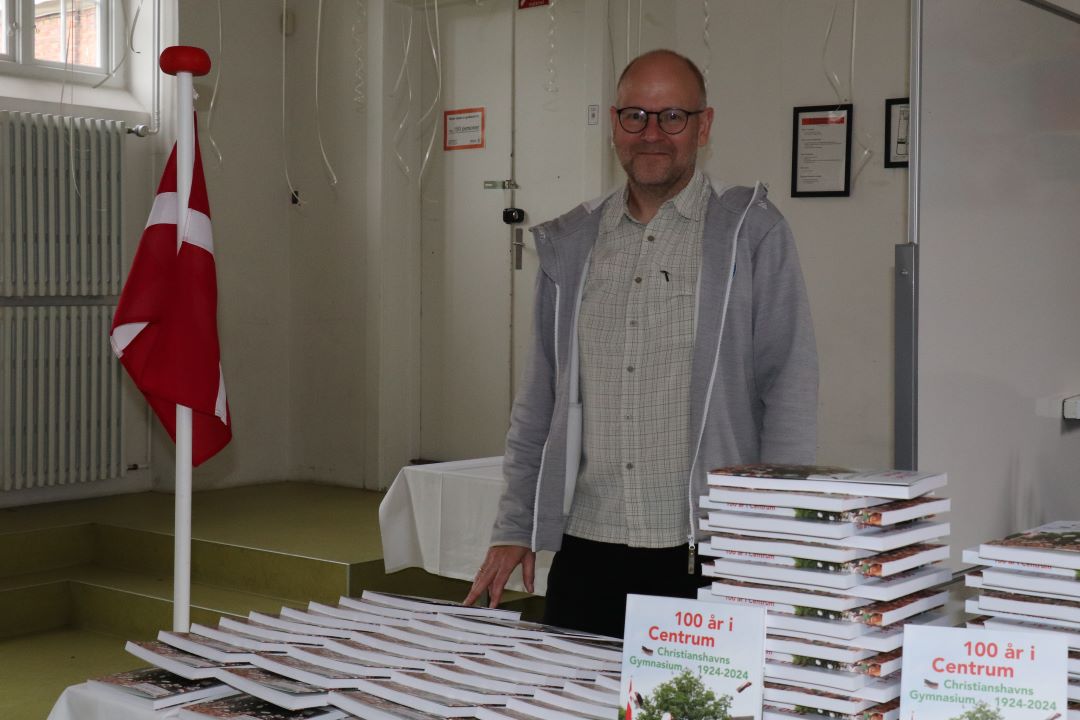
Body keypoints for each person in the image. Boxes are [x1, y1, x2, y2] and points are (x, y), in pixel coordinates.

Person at [464, 49, 818, 637]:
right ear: (613, 124)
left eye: (672, 116)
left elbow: (789, 388)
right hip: (587, 547)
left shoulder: (750, 233)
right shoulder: (570, 243)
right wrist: (514, 527)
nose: (652, 133)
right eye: (636, 116)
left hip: (705, 552)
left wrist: (772, 541)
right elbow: (538, 400)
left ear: (703, 126)